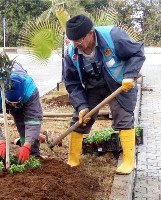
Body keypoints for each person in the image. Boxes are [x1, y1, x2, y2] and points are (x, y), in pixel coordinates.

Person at [62, 14, 145, 173]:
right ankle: (73, 159)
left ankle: (128, 161)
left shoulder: (113, 37)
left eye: (79, 40)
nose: (77, 44)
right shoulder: (71, 52)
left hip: (118, 83)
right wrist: (81, 106)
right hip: (93, 85)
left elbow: (137, 52)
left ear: (91, 33)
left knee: (123, 116)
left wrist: (130, 75)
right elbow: (72, 83)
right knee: (81, 119)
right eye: (73, 41)